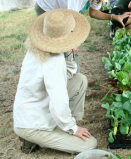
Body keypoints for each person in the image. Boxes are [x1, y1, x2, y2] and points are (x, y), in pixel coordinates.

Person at [13, 9, 97, 154]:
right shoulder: (54, 60)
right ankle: (34, 137)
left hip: (36, 109)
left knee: (79, 80)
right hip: (33, 124)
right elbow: (59, 97)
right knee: (90, 144)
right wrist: (72, 128)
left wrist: (70, 54)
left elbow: (68, 76)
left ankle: (64, 126)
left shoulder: (38, 48)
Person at [35, 0, 131, 72]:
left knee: (70, 48)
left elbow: (94, 13)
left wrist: (114, 16)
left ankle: (72, 77)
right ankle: (62, 76)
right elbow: (70, 19)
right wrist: (72, 44)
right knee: (60, 46)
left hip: (63, 10)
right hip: (46, 6)